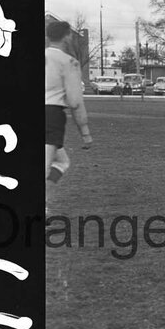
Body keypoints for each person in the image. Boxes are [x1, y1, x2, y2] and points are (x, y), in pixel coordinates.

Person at [45, 21, 93, 212]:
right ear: (67, 37)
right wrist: (85, 132)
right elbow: (75, 101)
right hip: (50, 115)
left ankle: (44, 201)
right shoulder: (68, 61)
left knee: (62, 162)